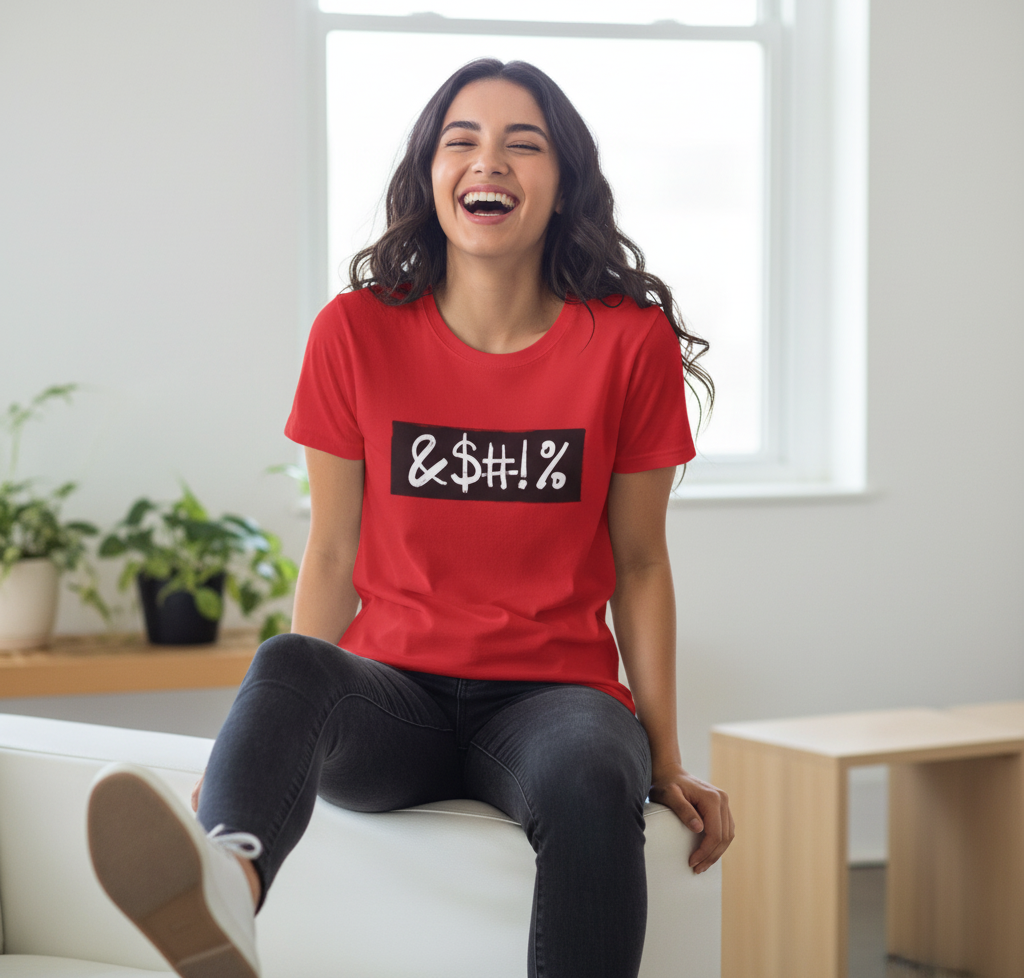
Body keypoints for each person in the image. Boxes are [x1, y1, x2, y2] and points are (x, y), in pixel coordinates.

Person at [87, 58, 734, 978]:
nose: (489, 163)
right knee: (287, 662)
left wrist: (665, 756)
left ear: (566, 181)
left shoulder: (627, 342)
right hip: (394, 701)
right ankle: (224, 889)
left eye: (524, 144)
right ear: (430, 175)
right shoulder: (355, 331)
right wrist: (258, 755)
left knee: (598, 769)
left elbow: (639, 563)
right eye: (461, 141)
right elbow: (333, 552)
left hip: (552, 701)